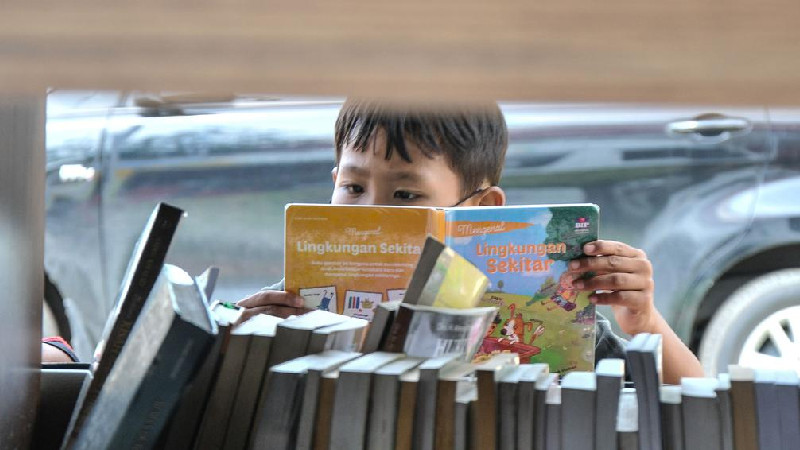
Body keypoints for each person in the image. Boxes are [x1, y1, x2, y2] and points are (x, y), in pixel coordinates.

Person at [236, 99, 704, 384]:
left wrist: (643, 321)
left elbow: (693, 400)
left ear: (481, 210)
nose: (370, 214)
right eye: (353, 188)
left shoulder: (537, 303)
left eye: (405, 194)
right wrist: (243, 340)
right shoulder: (303, 300)